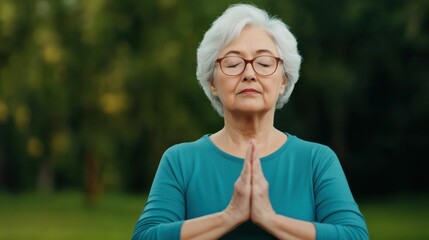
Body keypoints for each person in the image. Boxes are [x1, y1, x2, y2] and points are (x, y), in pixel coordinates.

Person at [132, 3, 368, 240]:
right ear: (212, 82)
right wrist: (230, 215)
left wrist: (268, 218)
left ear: (283, 80)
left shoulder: (317, 161)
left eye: (264, 63)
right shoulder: (180, 161)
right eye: (233, 64)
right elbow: (145, 236)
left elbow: (355, 235)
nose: (249, 73)